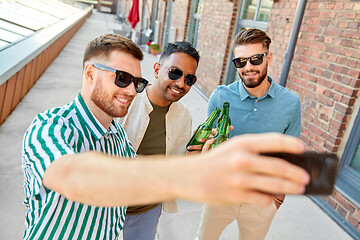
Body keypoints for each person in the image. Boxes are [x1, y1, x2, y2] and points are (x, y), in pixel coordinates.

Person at [21, 33, 309, 240]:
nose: (131, 90)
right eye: (122, 78)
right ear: (89, 73)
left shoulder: (117, 134)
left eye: (135, 82)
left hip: (139, 216)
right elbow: (73, 175)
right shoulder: (51, 127)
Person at [196, 28, 302, 240]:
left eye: (255, 59)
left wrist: (278, 199)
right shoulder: (220, 97)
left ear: (268, 57)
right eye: (241, 62)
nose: (248, 67)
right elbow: (209, 149)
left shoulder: (290, 103)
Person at [119, 41, 199, 239]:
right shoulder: (125, 101)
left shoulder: (184, 116)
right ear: (157, 69)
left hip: (147, 211)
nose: (181, 83)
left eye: (189, 78)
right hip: (106, 207)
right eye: (174, 72)